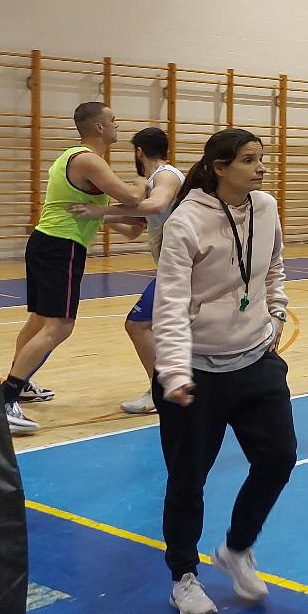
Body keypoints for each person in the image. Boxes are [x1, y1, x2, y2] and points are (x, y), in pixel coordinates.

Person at [152, 128, 295, 614]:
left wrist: (275, 311)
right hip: (196, 373)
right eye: (250, 161)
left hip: (256, 359)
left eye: (262, 159)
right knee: (188, 480)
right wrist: (173, 372)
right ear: (219, 166)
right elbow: (168, 304)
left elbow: (274, 264)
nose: (260, 169)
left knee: (278, 458)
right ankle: (183, 577)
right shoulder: (185, 222)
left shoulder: (266, 206)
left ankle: (236, 548)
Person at [1, 102, 141, 435]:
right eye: (113, 120)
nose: (117, 125)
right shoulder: (88, 159)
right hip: (60, 246)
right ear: (98, 128)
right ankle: (5, 398)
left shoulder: (74, 160)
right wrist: (146, 182)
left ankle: (18, 384)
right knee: (61, 325)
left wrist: (139, 222)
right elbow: (129, 198)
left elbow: (120, 221)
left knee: (39, 321)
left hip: (48, 242)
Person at [70, 127, 185, 414]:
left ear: (138, 152)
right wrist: (96, 216)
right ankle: (173, 387)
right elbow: (134, 229)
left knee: (137, 324)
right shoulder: (152, 182)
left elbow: (155, 205)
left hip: (183, 270)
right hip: (174, 269)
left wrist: (102, 211)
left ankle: (161, 391)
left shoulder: (166, 175)